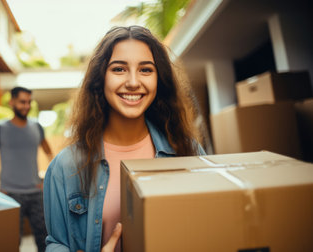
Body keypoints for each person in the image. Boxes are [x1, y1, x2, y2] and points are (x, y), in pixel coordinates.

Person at [43, 26, 206, 252]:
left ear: (160, 80)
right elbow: (56, 244)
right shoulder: (66, 166)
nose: (132, 82)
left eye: (146, 70)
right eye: (119, 69)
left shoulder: (188, 152)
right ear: (101, 78)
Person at [0, 86, 53, 252]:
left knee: (46, 241)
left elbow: (51, 156)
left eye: (29, 102)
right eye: (22, 102)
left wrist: (46, 182)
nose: (26, 106)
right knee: (10, 242)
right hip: (9, 195)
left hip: (36, 194)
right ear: (11, 102)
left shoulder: (37, 127)